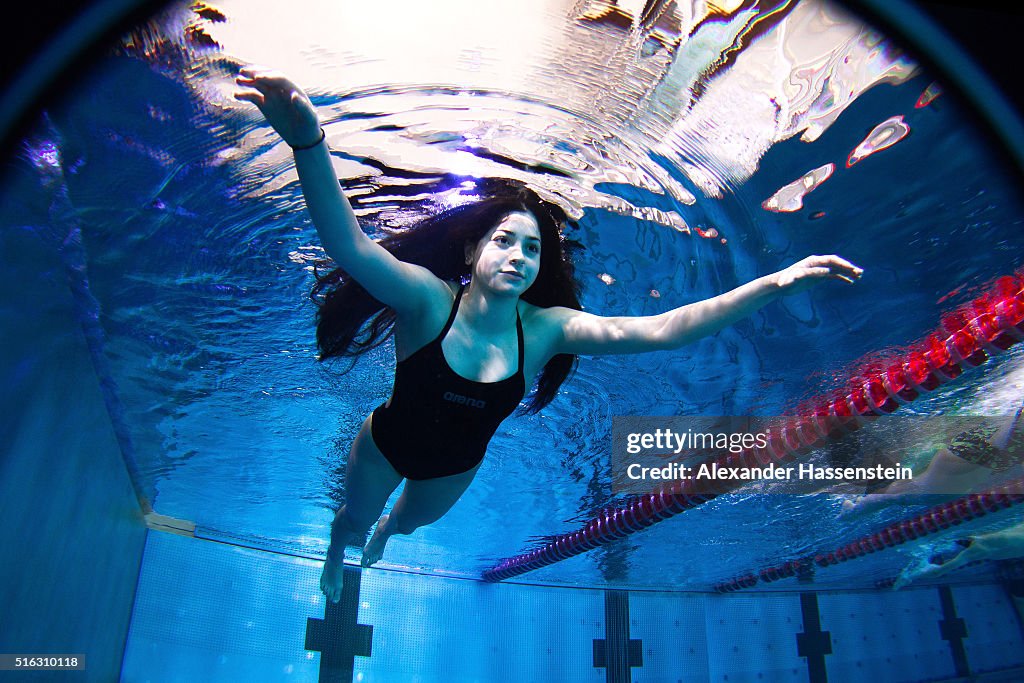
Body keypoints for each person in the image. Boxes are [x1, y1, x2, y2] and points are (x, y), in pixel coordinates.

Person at [233, 66, 864, 603]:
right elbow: (349, 244)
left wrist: (775, 286)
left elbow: (665, 330)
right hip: (386, 444)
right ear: (475, 247)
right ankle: (338, 555)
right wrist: (308, 142)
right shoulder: (428, 302)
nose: (517, 256)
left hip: (451, 472)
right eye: (504, 240)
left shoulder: (546, 330)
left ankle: (382, 540)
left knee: (400, 528)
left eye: (531, 249)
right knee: (350, 521)